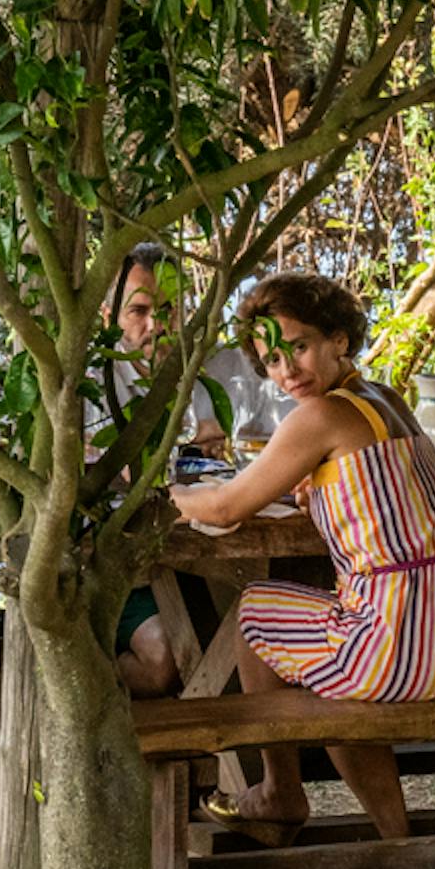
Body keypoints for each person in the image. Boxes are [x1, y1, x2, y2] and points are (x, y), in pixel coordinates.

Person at [173, 272, 435, 869]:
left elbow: (225, 504)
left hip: (402, 650)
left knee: (255, 615)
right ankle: (401, 858)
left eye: (298, 347)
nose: (286, 369)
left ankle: (279, 794)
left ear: (337, 339)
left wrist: (170, 495)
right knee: (333, 665)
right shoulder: (382, 399)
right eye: (271, 358)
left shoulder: (320, 416)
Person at [94, 244, 253, 698]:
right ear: (109, 317)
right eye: (139, 311)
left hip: (215, 564)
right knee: (166, 657)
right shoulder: (93, 386)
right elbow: (107, 479)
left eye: (168, 310)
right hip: (130, 574)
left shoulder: (217, 371)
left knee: (252, 630)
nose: (156, 326)